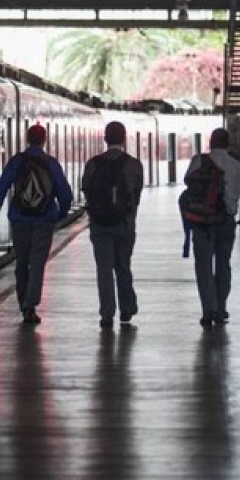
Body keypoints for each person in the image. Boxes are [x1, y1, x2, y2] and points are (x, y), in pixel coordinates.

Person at [0, 124, 73, 324]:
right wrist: (60, 214)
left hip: (20, 220)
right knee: (38, 264)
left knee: (22, 263)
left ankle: (22, 302)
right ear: (44, 140)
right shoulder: (50, 163)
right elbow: (64, 192)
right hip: (44, 220)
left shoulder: (17, 162)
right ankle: (30, 305)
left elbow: (1, 188)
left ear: (27, 139)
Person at [184, 127, 240, 327]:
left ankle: (207, 310)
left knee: (203, 267)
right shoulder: (238, 167)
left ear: (211, 143)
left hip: (201, 222)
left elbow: (188, 184)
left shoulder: (197, 161)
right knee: (223, 265)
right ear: (227, 144)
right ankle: (220, 308)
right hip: (225, 222)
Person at [81, 121, 144, 328]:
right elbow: (137, 195)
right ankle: (127, 308)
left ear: (105, 139)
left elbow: (86, 190)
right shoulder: (134, 165)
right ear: (124, 138)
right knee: (123, 266)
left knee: (104, 269)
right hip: (125, 225)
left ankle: (107, 313)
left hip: (100, 226)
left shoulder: (93, 164)